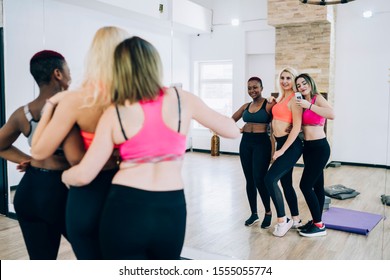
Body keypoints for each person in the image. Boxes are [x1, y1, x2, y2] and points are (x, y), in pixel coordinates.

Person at [61, 36, 240, 260]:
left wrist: (65, 175)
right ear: (155, 65)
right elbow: (232, 131)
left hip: (125, 206)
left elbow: (85, 174)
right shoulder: (183, 99)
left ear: (119, 70)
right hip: (171, 207)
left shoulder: (115, 112)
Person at [31, 26, 129, 259]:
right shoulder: (137, 99)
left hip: (87, 196)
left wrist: (52, 105)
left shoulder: (74, 100)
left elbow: (38, 150)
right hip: (128, 193)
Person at [0, 50, 79, 259]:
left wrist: (27, 160)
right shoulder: (73, 108)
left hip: (30, 192)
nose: (71, 75)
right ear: (58, 74)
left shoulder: (22, 113)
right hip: (60, 193)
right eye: (68, 70)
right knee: (94, 255)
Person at [264, 66, 303, 237]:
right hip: (281, 144)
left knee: (270, 179)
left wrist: (281, 151)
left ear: (294, 80)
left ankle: (282, 219)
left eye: (288, 78)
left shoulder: (296, 98)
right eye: (282, 78)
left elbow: (296, 128)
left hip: (291, 146)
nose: (285, 81)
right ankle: (295, 219)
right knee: (286, 184)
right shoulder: (280, 98)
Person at [232, 77, 275, 228]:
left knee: (259, 179)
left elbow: (278, 122)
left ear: (262, 88)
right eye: (249, 88)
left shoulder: (268, 104)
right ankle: (254, 214)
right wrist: (239, 129)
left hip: (261, 144)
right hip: (245, 144)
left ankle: (268, 212)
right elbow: (231, 120)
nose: (252, 91)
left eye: (255, 87)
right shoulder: (246, 106)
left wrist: (274, 150)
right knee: (249, 180)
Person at [294, 73, 334, 237]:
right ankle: (317, 221)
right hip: (308, 147)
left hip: (320, 148)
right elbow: (305, 125)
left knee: (305, 185)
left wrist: (308, 105)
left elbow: (331, 114)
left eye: (304, 83)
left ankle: (319, 225)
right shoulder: (301, 103)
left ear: (310, 83)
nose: (301, 86)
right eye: (298, 85)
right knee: (317, 186)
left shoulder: (316, 98)